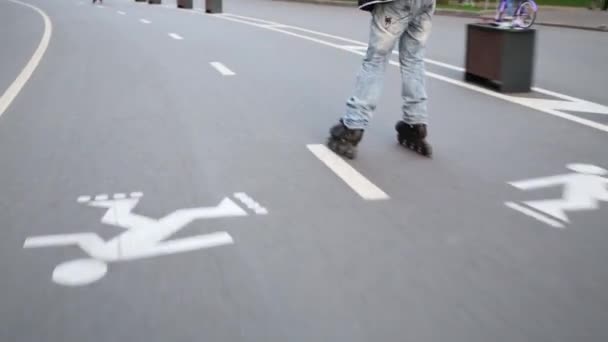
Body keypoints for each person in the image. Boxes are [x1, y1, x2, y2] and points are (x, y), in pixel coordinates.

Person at [326, 0, 436, 159]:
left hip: (395, 5)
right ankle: (416, 123)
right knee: (414, 60)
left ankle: (353, 126)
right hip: (425, 3)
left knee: (376, 60)